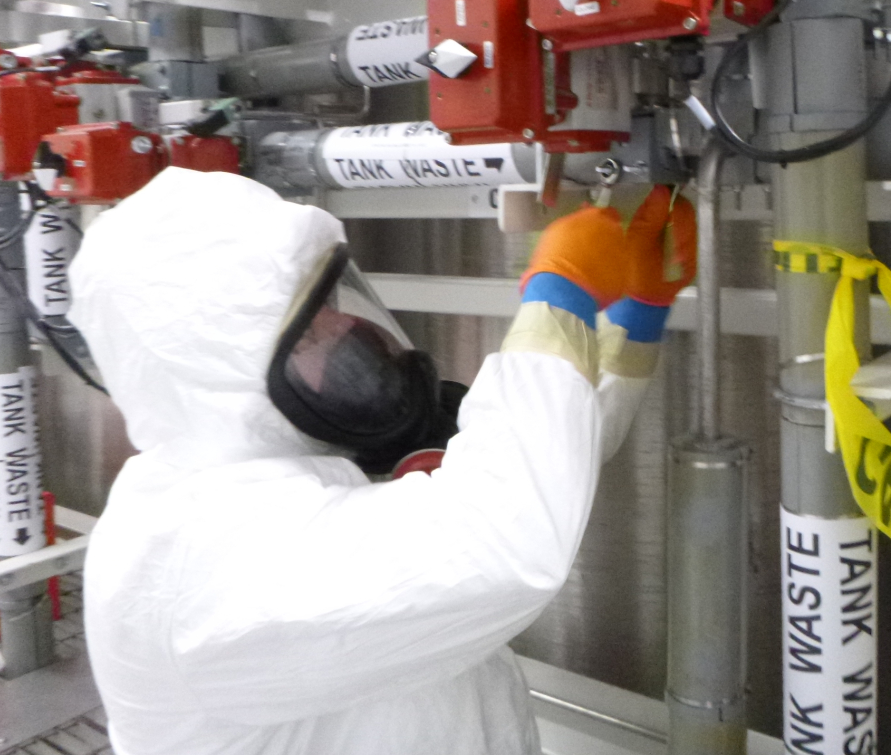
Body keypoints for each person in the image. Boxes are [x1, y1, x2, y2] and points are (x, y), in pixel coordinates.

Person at [67, 166, 696, 755]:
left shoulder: (312, 448)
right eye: (312, 327)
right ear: (216, 373)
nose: (345, 331)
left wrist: (631, 324)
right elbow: (506, 541)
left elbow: (540, 459)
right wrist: (560, 299)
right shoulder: (187, 563)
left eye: (333, 301)